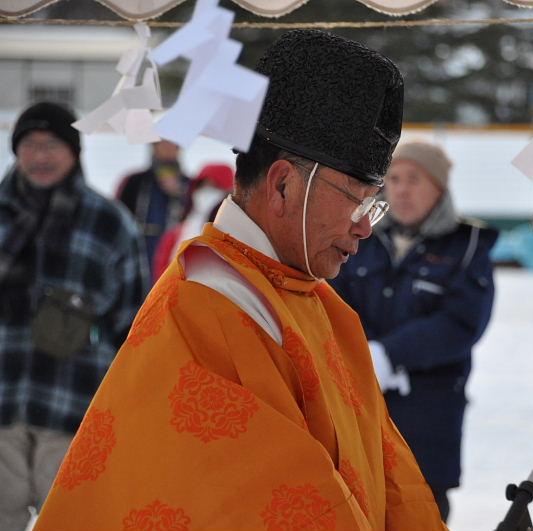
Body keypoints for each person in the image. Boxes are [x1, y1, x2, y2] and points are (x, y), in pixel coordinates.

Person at [34, 30, 447, 530]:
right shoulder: (208, 307)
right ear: (283, 185)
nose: (366, 225)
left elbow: (386, 474)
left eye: (373, 206)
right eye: (359, 201)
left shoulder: (316, 301)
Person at [330, 140, 498, 522]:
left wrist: (390, 354)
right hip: (357, 402)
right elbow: (334, 301)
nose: (402, 189)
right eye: (394, 179)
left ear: (439, 188)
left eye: (414, 180)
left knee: (418, 511)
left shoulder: (468, 247)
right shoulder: (359, 238)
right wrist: (363, 351)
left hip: (429, 413)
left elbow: (461, 322)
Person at [0, 102, 148, 531]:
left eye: (52, 145)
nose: (40, 155)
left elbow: (134, 324)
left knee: (74, 522)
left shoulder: (110, 223)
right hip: (2, 402)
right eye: (30, 144)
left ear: (74, 151)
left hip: (72, 406)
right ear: (16, 150)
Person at [116, 139, 190, 279]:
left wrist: (179, 194)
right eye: (163, 143)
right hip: (141, 250)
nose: (168, 148)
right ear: (153, 147)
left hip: (175, 252)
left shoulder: (189, 185)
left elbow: (195, 220)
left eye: (173, 143)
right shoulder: (135, 182)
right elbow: (120, 218)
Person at [151, 162, 234, 279]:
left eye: (215, 187)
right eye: (202, 186)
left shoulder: (236, 235)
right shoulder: (175, 235)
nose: (206, 192)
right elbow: (160, 277)